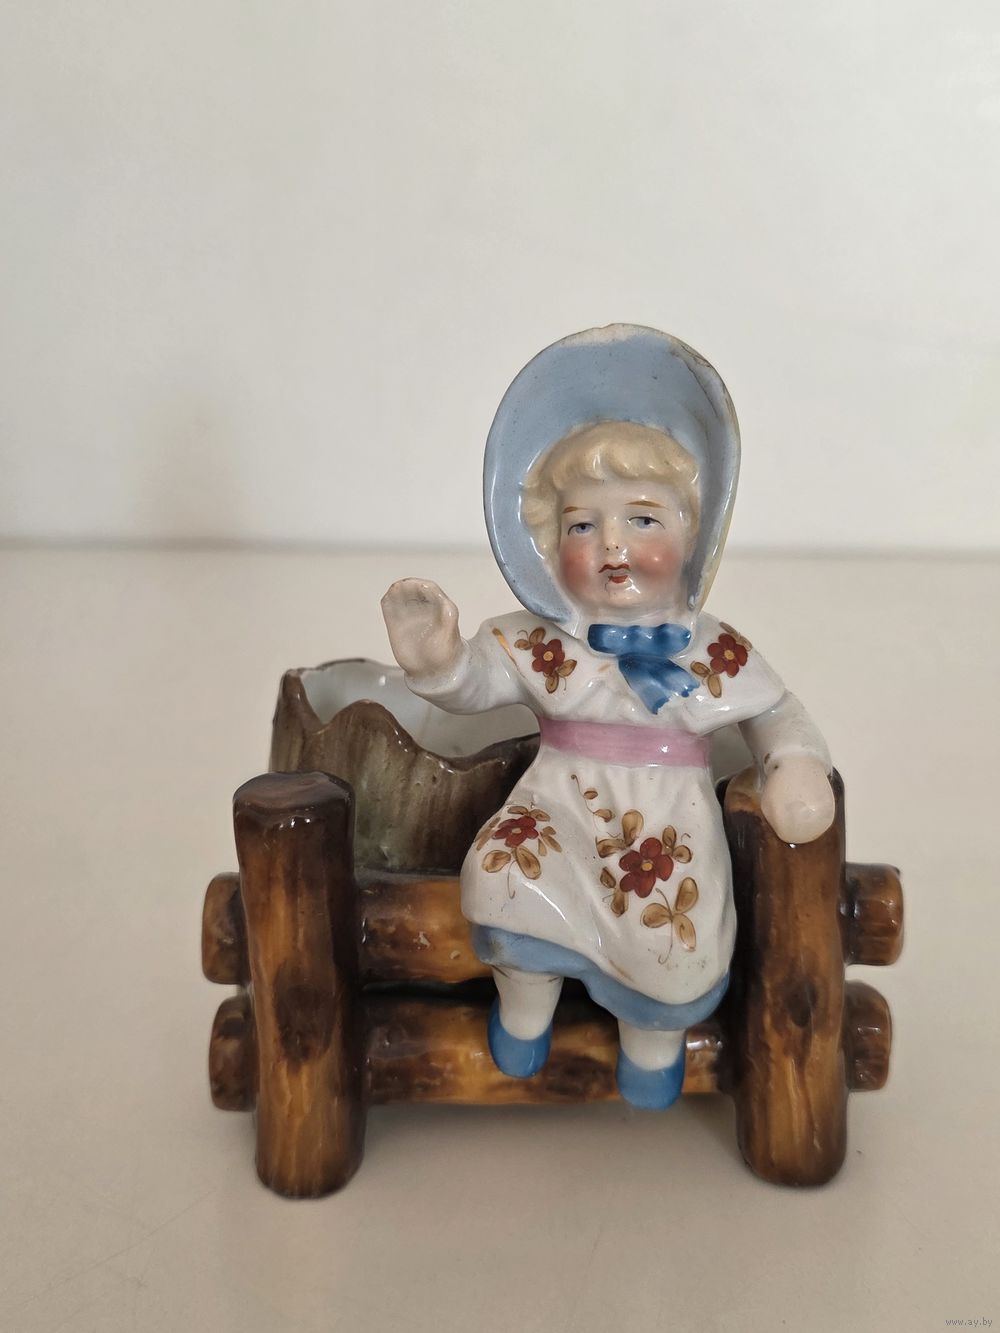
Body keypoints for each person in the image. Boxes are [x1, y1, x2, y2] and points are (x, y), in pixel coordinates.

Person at [380, 325, 833, 1110]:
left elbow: (775, 710)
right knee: (505, 873)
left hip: (664, 824)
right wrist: (437, 661)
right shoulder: (540, 641)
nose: (612, 546)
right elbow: (476, 681)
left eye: (643, 520)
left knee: (667, 933)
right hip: (557, 801)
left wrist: (793, 762)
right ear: (546, 542)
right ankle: (524, 1007)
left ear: (694, 534)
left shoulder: (710, 648)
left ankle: (651, 1044)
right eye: (583, 526)